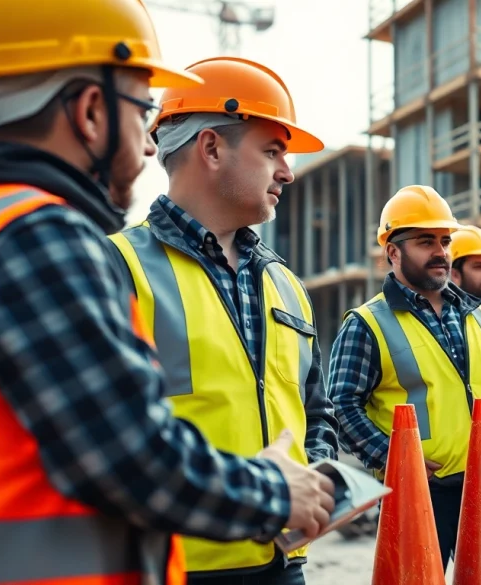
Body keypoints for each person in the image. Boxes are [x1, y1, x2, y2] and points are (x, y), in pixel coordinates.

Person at [0, 1, 336, 582]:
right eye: (140, 110)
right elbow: (129, 454)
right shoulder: (39, 237)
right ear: (91, 111)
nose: (150, 145)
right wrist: (276, 493)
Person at [107, 56, 336, 585]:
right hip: (178, 567)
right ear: (211, 148)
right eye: (272, 151)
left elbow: (314, 410)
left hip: (283, 563)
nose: (288, 170)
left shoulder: (286, 284)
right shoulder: (117, 267)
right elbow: (115, 438)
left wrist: (317, 480)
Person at [329, 186, 481, 576]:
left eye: (445, 240)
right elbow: (342, 405)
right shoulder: (367, 323)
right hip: (419, 490)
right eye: (426, 241)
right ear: (393, 252)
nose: (441, 251)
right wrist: (394, 457)